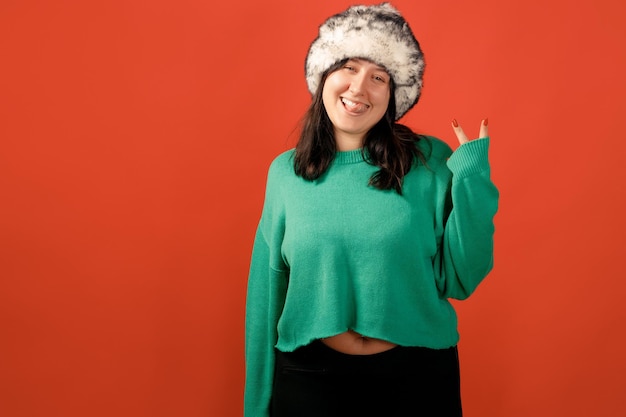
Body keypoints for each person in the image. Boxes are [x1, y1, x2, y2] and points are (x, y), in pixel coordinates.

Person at [244, 3, 499, 416]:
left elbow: (461, 279)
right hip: (310, 381)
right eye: (348, 66)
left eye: (378, 77)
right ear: (323, 75)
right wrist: (256, 406)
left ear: (394, 95)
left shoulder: (430, 161)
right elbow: (266, 292)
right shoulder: (285, 173)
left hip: (416, 380)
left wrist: (472, 179)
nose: (359, 88)